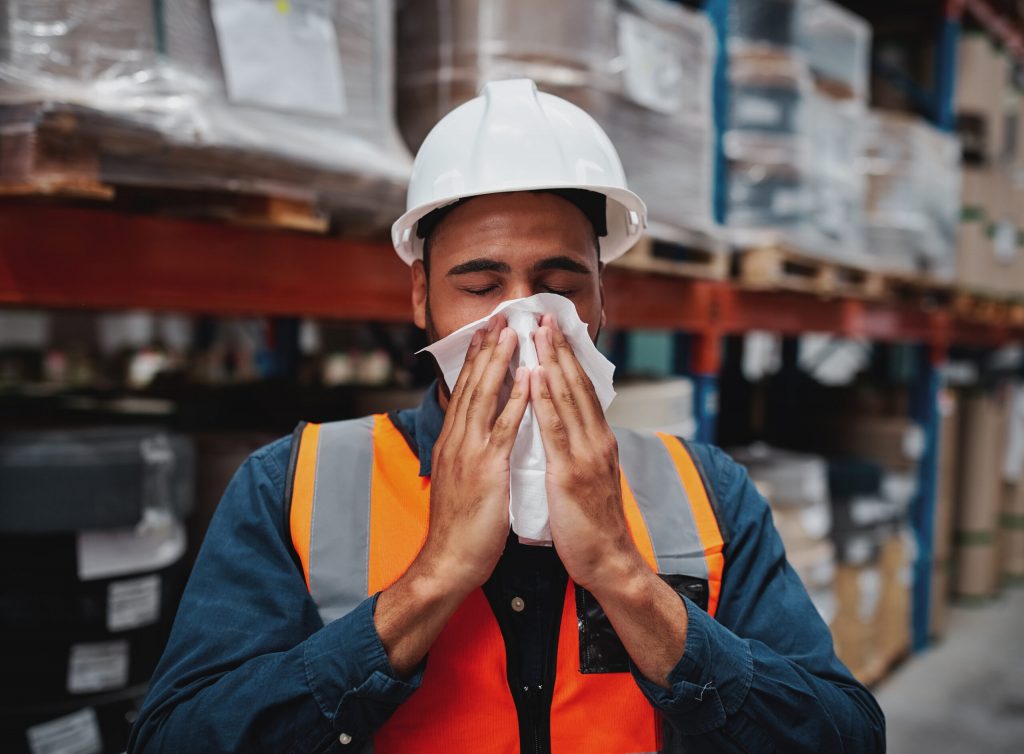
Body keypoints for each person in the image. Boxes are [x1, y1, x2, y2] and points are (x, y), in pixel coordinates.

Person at [129, 80, 885, 753]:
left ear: (598, 304)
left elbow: (844, 735)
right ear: (420, 297)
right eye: (481, 284)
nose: (524, 320)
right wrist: (432, 581)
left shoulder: (705, 491)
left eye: (559, 283)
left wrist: (625, 579)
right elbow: (175, 737)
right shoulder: (294, 484)